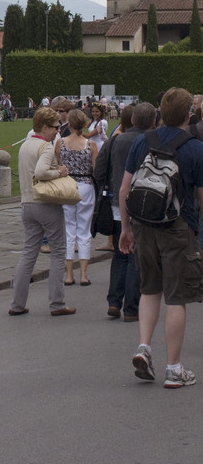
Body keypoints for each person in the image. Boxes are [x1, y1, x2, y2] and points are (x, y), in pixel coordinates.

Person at [120, 87, 203, 387]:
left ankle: (144, 346)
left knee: (150, 289)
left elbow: (125, 189)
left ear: (160, 112)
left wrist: (126, 228)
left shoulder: (143, 141)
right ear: (188, 114)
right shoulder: (195, 148)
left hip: (144, 223)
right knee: (177, 297)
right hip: (177, 226)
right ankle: (174, 368)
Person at [9, 106, 76, 316]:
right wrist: (59, 172)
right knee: (58, 252)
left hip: (27, 204)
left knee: (29, 253)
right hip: (46, 204)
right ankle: (57, 303)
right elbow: (40, 172)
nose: (58, 131)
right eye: (55, 127)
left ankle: (17, 304)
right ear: (44, 127)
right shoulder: (46, 147)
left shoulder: (25, 145)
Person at [94, 102, 150, 321]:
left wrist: (108, 186)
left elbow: (99, 170)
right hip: (143, 202)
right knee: (135, 254)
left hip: (117, 201)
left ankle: (114, 301)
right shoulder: (150, 141)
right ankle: (131, 308)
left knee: (120, 253)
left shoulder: (115, 140)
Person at [55, 109, 97, 286]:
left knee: (68, 229)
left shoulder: (60, 142)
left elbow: (57, 164)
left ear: (70, 124)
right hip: (85, 185)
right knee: (84, 230)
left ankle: (69, 274)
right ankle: (84, 274)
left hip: (67, 185)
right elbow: (95, 169)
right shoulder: (91, 145)